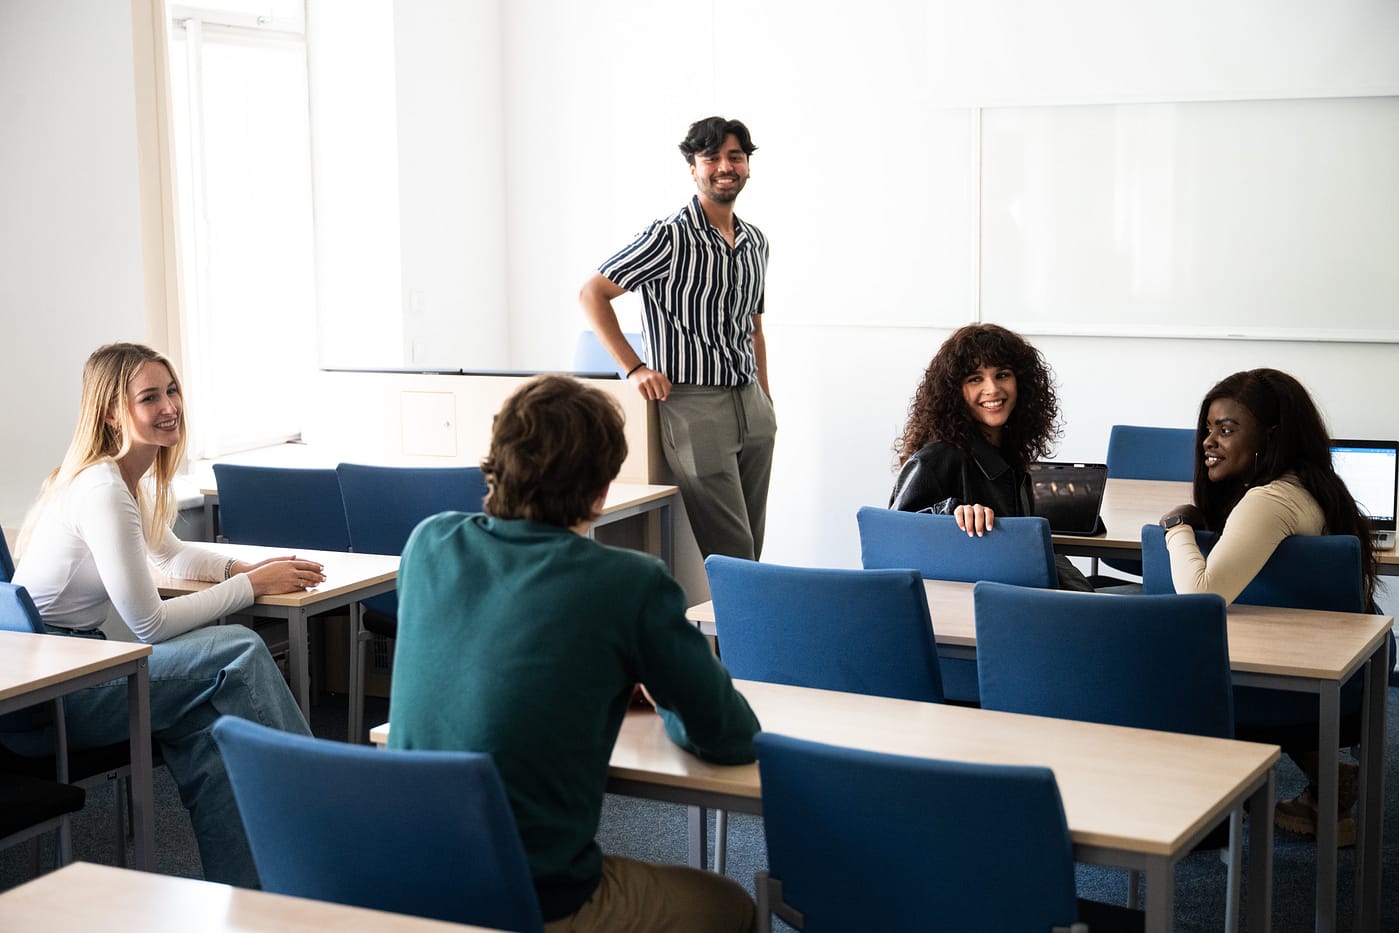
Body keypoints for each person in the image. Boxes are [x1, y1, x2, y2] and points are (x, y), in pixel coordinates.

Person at [389, 374, 760, 933]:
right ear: (603, 488)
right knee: (731, 907)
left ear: (496, 461)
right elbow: (729, 736)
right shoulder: (629, 582)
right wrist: (661, 697)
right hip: (535, 899)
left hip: (400, 882)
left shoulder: (429, 543)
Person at [6, 342, 322, 886]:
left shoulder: (120, 479)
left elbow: (168, 552)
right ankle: (325, 796)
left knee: (205, 729)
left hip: (76, 668)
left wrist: (239, 568)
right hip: (53, 698)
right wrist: (250, 587)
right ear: (111, 412)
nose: (169, 406)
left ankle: (248, 894)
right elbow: (149, 625)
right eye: (149, 397)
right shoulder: (102, 488)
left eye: (171, 390)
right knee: (239, 651)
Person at [1158, 367, 1386, 846]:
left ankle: (1201, 803)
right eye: (1208, 428)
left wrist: (1176, 527)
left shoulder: (1269, 501)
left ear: (1271, 436)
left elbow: (1201, 594)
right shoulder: (1312, 486)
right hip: (1326, 680)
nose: (1208, 441)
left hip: (1271, 688)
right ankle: (1322, 778)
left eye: (1226, 429)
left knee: (1157, 650)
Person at [579, 115, 776, 561]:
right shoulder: (669, 236)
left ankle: (740, 632)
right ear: (693, 168)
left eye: (735, 157)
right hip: (694, 405)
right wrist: (634, 367)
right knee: (734, 551)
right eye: (712, 158)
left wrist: (765, 397)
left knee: (754, 545)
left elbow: (754, 326)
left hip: (752, 405)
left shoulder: (755, 241)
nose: (725, 166)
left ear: (747, 166)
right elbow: (592, 293)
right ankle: (739, 633)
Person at [888, 323, 1092, 591]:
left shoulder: (1009, 452)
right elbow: (892, 540)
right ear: (954, 392)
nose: (992, 389)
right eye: (975, 379)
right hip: (978, 613)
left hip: (1022, 599)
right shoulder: (935, 460)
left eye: (1002, 375)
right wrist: (952, 513)